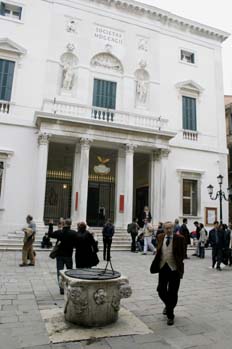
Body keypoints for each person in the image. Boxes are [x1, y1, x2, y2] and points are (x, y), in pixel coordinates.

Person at [150, 221, 185, 326]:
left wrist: (178, 264)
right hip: (163, 268)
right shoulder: (160, 236)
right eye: (166, 228)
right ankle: (168, 305)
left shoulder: (180, 238)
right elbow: (159, 250)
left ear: (173, 228)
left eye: (170, 228)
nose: (168, 230)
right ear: (163, 229)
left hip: (174, 269)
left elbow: (183, 254)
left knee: (173, 292)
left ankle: (170, 315)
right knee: (161, 290)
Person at [48, 218, 77, 294]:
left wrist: (51, 224)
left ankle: (61, 288)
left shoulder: (59, 232)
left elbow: (50, 234)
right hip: (68, 255)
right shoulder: (73, 233)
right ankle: (69, 287)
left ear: (64, 224)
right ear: (70, 224)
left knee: (60, 272)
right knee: (69, 272)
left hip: (60, 255)